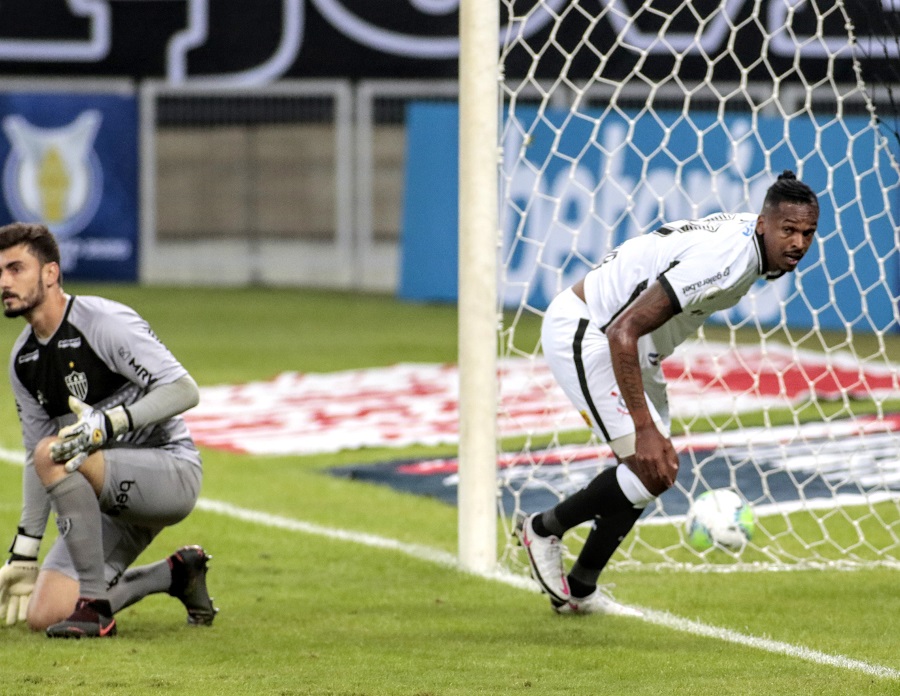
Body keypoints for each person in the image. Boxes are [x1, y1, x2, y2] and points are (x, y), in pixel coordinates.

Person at [518, 170, 819, 615]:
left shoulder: (753, 247)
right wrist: (642, 426)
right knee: (649, 463)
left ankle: (579, 588)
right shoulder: (725, 259)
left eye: (807, 233)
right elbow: (623, 328)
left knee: (657, 467)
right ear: (762, 224)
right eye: (788, 231)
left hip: (639, 345)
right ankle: (545, 528)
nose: (797, 243)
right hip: (590, 332)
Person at [0, 222, 217, 638]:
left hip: (169, 472)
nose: (4, 282)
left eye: (16, 269)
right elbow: (33, 457)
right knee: (45, 615)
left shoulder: (104, 322)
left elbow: (184, 389)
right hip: (102, 492)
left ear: (50, 273)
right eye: (0, 273)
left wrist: (111, 422)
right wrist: (25, 551)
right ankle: (175, 575)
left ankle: (96, 608)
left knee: (55, 452)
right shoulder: (23, 360)